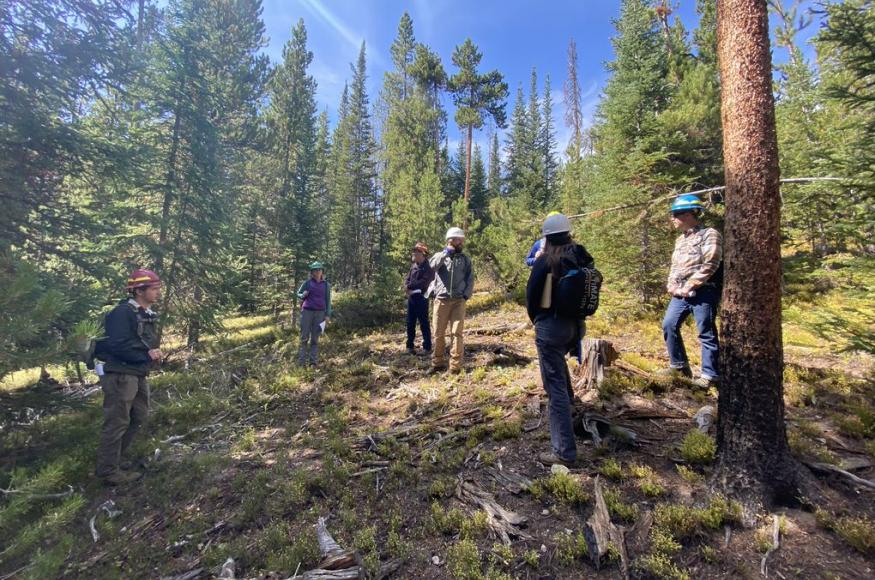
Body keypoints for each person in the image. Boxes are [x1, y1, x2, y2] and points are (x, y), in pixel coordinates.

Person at [526, 213, 595, 467]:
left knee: (554, 387)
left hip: (551, 327)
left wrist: (537, 320)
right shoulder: (580, 254)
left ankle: (564, 452)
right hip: (576, 327)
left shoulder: (547, 260)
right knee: (560, 372)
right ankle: (573, 411)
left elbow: (532, 295)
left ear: (547, 237)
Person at [93, 269, 163, 485]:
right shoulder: (122, 313)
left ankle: (115, 459)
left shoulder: (144, 313)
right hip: (120, 374)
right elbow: (117, 345)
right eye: (154, 289)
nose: (158, 292)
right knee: (117, 420)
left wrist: (149, 356)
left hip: (137, 372)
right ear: (139, 291)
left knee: (139, 416)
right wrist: (146, 354)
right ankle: (108, 471)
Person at [659, 194, 723, 388]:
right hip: (680, 293)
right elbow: (675, 266)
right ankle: (679, 366)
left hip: (704, 291)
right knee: (669, 325)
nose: (672, 218)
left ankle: (710, 375)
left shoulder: (710, 234)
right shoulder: (680, 240)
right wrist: (672, 284)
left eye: (676, 214)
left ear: (689, 215)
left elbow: (712, 262)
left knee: (705, 331)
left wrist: (692, 284)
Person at [427, 227, 474, 373]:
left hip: (458, 301)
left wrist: (466, 294)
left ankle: (455, 367)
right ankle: (437, 363)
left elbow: (470, 278)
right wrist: (445, 253)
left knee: (456, 333)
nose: (461, 242)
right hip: (441, 300)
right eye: (458, 240)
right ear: (450, 241)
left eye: (462, 240)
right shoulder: (439, 256)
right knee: (438, 333)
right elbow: (432, 266)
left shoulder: (465, 259)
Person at [297, 261, 332, 366]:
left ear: (322, 271)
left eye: (319, 269)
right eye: (315, 270)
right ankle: (302, 362)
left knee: (315, 338)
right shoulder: (307, 283)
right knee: (304, 338)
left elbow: (328, 300)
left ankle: (313, 362)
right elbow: (298, 294)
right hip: (307, 312)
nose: (318, 271)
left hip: (320, 313)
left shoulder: (326, 285)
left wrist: (327, 315)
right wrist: (303, 294)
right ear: (312, 272)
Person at [405, 242, 435, 355]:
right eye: (414, 251)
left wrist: (410, 286)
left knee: (424, 323)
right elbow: (407, 279)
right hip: (412, 299)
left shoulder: (428, 268)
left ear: (423, 254)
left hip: (422, 298)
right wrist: (406, 287)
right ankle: (409, 347)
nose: (414, 254)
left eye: (417, 252)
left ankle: (427, 348)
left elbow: (424, 283)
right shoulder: (413, 266)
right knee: (410, 323)